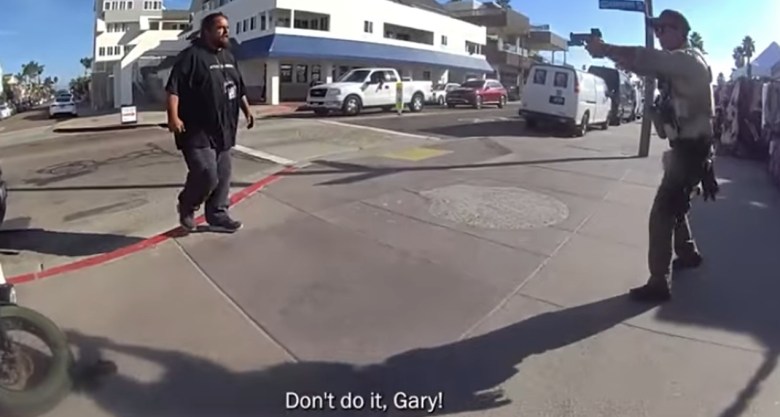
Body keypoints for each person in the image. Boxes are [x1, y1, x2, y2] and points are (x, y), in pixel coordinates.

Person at [584, 9, 719, 303]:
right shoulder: (679, 64)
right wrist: (611, 56)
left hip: (690, 151)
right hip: (690, 150)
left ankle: (659, 282)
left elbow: (646, 58)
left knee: (662, 213)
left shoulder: (687, 60)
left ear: (681, 31)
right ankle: (688, 253)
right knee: (676, 205)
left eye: (663, 29)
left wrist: (604, 48)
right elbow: (643, 65)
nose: (658, 35)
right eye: (656, 30)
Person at [165, 12, 254, 234]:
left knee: (223, 177)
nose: (226, 31)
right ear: (206, 32)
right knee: (207, 174)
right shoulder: (191, 56)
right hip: (196, 130)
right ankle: (187, 204)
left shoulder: (228, 56)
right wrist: (173, 117)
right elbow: (173, 89)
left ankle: (217, 214)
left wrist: (247, 110)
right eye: (220, 28)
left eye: (227, 27)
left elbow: (239, 87)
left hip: (223, 129)